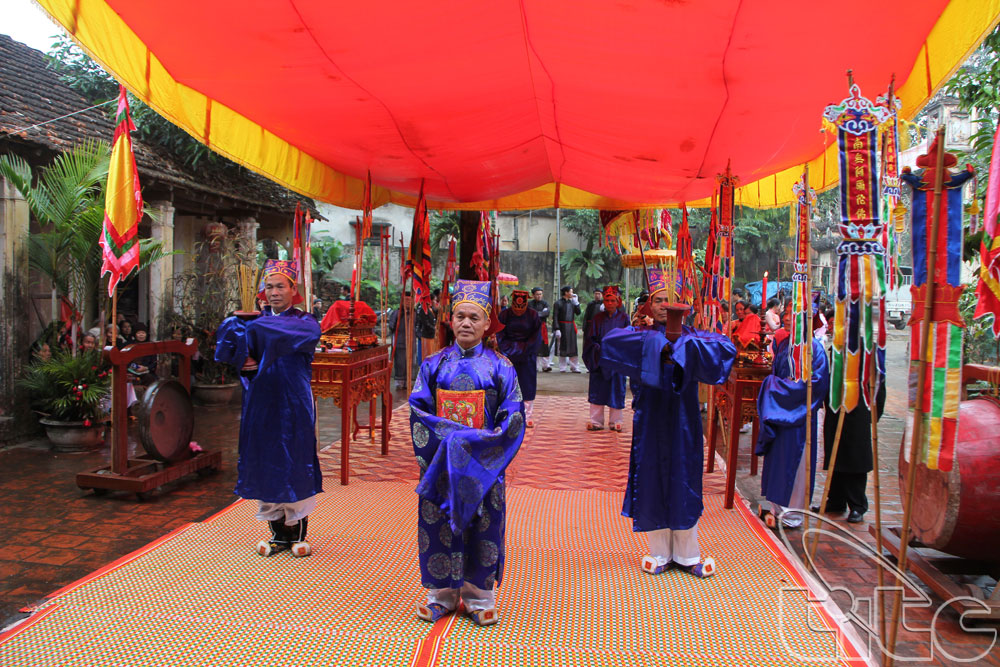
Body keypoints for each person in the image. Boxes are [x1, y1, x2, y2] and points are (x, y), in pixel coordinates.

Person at [600, 268, 736, 579]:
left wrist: (680, 346)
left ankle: (688, 554)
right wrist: (658, 345)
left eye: (672, 301)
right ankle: (659, 550)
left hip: (685, 420)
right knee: (651, 476)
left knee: (684, 476)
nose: (665, 306)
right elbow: (609, 343)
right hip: (650, 419)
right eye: (659, 300)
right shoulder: (641, 336)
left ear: (685, 306)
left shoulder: (695, 338)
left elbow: (726, 349)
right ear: (649, 305)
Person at [409, 279, 525, 626]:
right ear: (450, 319)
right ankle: (440, 595)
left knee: (483, 524)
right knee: (438, 524)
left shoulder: (500, 366)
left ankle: (478, 596)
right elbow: (418, 410)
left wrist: (482, 447)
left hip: (484, 466)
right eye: (460, 316)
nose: (466, 323)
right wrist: (454, 441)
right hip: (442, 463)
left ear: (487, 323)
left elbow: (514, 416)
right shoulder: (434, 364)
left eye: (474, 317)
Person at [215, 259, 323, 557]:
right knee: (266, 460)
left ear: (293, 290)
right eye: (270, 287)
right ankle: (277, 534)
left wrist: (250, 325)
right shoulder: (250, 321)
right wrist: (243, 361)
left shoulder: (305, 322)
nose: (274, 292)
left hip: (293, 400)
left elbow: (288, 334)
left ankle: (298, 532)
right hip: (261, 400)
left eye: (280, 286)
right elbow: (230, 350)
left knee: (295, 459)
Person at [755, 312, 829, 529]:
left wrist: (775, 389)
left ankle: (792, 514)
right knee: (777, 461)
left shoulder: (814, 349)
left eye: (792, 312)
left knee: (795, 465)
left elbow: (816, 385)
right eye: (786, 312)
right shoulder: (785, 343)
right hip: (779, 412)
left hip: (797, 415)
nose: (787, 317)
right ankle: (776, 507)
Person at [820, 362, 886, 523]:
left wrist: (873, 415)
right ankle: (836, 500)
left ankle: (857, 505)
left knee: (855, 460)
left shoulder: (866, 351)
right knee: (836, 457)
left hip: (858, 411)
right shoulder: (837, 350)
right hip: (836, 410)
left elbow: (879, 386)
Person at [583, 285, 629, 431]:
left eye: (612, 300)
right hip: (600, 358)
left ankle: (616, 421)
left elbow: (628, 338)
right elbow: (590, 338)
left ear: (618, 302)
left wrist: (617, 351)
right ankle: (596, 421)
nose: (609, 303)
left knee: (616, 388)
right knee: (598, 388)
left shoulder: (624, 318)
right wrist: (599, 350)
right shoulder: (597, 318)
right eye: (607, 300)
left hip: (617, 358)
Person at [497, 289, 543, 428]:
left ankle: (527, 415)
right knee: (507, 384)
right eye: (515, 308)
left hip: (527, 354)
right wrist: (508, 350)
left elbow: (536, 336)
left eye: (521, 308)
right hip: (508, 353)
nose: (518, 311)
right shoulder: (504, 314)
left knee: (527, 384)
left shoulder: (533, 315)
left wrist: (524, 349)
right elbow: (500, 334)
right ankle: (507, 415)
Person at [389, 292, 420, 389]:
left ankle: (408, 382)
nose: (407, 302)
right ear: (402, 301)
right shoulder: (396, 313)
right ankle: (399, 383)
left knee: (411, 362)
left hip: (411, 342)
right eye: (406, 300)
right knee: (400, 362)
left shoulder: (415, 313)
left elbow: (418, 327)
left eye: (409, 300)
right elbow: (391, 326)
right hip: (399, 342)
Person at [552, 286, 581, 372]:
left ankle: (574, 367)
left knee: (573, 347)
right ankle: (562, 367)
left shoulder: (573, 302)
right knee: (562, 347)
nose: (572, 293)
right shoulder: (558, 303)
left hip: (571, 327)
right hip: (562, 326)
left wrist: (577, 303)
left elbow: (578, 313)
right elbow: (555, 316)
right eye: (571, 292)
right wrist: (557, 328)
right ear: (566, 292)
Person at [528, 287, 551, 372]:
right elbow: (530, 314)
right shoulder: (530, 304)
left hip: (542, 327)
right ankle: (535, 366)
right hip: (533, 327)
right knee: (534, 345)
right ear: (533, 295)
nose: (539, 296)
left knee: (544, 345)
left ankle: (546, 365)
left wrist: (537, 313)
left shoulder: (545, 303)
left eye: (540, 294)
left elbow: (547, 313)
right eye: (537, 294)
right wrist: (541, 313)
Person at [415, 289, 441, 360]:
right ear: (430, 300)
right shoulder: (423, 309)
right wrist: (434, 328)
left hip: (430, 335)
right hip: (426, 335)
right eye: (434, 300)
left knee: (431, 353)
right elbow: (425, 323)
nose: (436, 302)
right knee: (426, 355)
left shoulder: (430, 309)